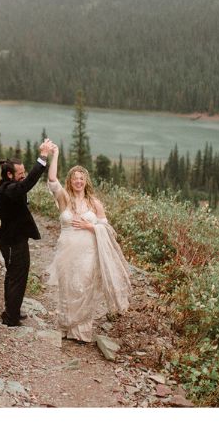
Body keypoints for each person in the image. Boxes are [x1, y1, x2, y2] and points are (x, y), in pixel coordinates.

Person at [44, 145, 134, 343]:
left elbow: (107, 230)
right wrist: (56, 154)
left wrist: (90, 227)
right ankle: (66, 328)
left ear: (86, 182)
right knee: (67, 287)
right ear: (70, 181)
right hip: (66, 251)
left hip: (88, 252)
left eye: (81, 178)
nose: (78, 181)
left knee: (83, 287)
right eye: (75, 178)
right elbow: (52, 179)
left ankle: (81, 332)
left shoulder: (94, 203)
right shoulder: (64, 198)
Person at [0, 139, 55, 326]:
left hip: (17, 239)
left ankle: (12, 311)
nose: (23, 175)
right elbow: (27, 184)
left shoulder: (11, 187)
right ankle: (11, 318)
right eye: (20, 173)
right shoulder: (8, 189)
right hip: (12, 241)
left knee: (19, 275)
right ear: (9, 174)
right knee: (15, 276)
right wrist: (43, 157)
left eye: (24, 172)